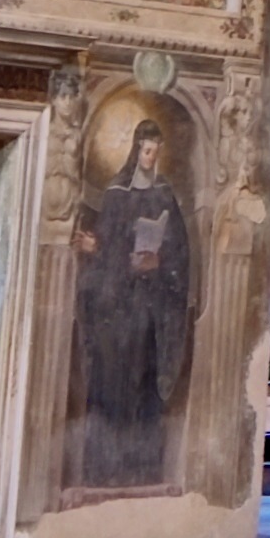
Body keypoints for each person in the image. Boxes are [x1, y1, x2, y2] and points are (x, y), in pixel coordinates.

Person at [70, 116, 199, 488]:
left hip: (147, 309)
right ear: (135, 149)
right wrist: (100, 250)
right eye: (145, 149)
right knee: (111, 385)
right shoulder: (115, 193)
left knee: (143, 384)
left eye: (156, 150)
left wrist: (158, 262)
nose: (150, 156)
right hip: (115, 312)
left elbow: (179, 254)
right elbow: (105, 244)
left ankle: (142, 471)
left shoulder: (164, 195)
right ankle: (105, 471)